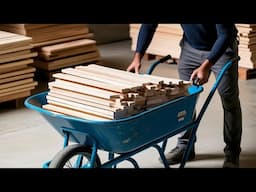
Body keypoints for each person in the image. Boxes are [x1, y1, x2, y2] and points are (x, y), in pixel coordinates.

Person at [126, 24, 242, 168]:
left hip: (223, 48)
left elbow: (225, 34)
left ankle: (232, 153)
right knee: (184, 98)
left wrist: (206, 66)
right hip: (190, 48)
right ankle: (185, 146)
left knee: (229, 99)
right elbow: (149, 25)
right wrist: (138, 56)